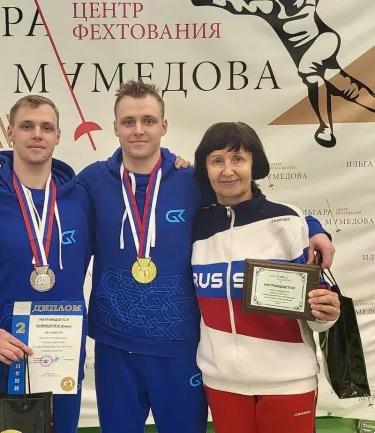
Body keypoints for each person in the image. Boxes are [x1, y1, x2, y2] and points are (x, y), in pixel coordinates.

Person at [76, 79, 335, 432]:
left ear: (164, 125)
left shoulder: (192, 179)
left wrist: (313, 227)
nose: (138, 130)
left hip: (181, 347)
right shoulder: (92, 180)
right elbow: (57, 212)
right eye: (128, 121)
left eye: (148, 120)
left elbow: (251, 204)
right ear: (115, 127)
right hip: (114, 343)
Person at [191, 121, 340, 433]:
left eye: (238, 158)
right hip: (221, 383)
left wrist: (326, 313)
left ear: (254, 164)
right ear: (205, 168)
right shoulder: (196, 227)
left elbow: (317, 309)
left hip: (288, 382)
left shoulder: (288, 221)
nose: (228, 170)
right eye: (217, 160)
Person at [0, 95, 93, 433]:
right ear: (10, 132)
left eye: (46, 127)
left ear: (58, 135)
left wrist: (175, 164)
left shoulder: (81, 200)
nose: (37, 134)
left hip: (60, 365)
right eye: (27, 126)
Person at [191, 0, 375, 148]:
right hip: (306, 55)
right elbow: (235, 5)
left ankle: (326, 127)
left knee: (310, 70)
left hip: (325, 40)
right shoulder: (268, 6)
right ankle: (328, 126)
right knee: (335, 82)